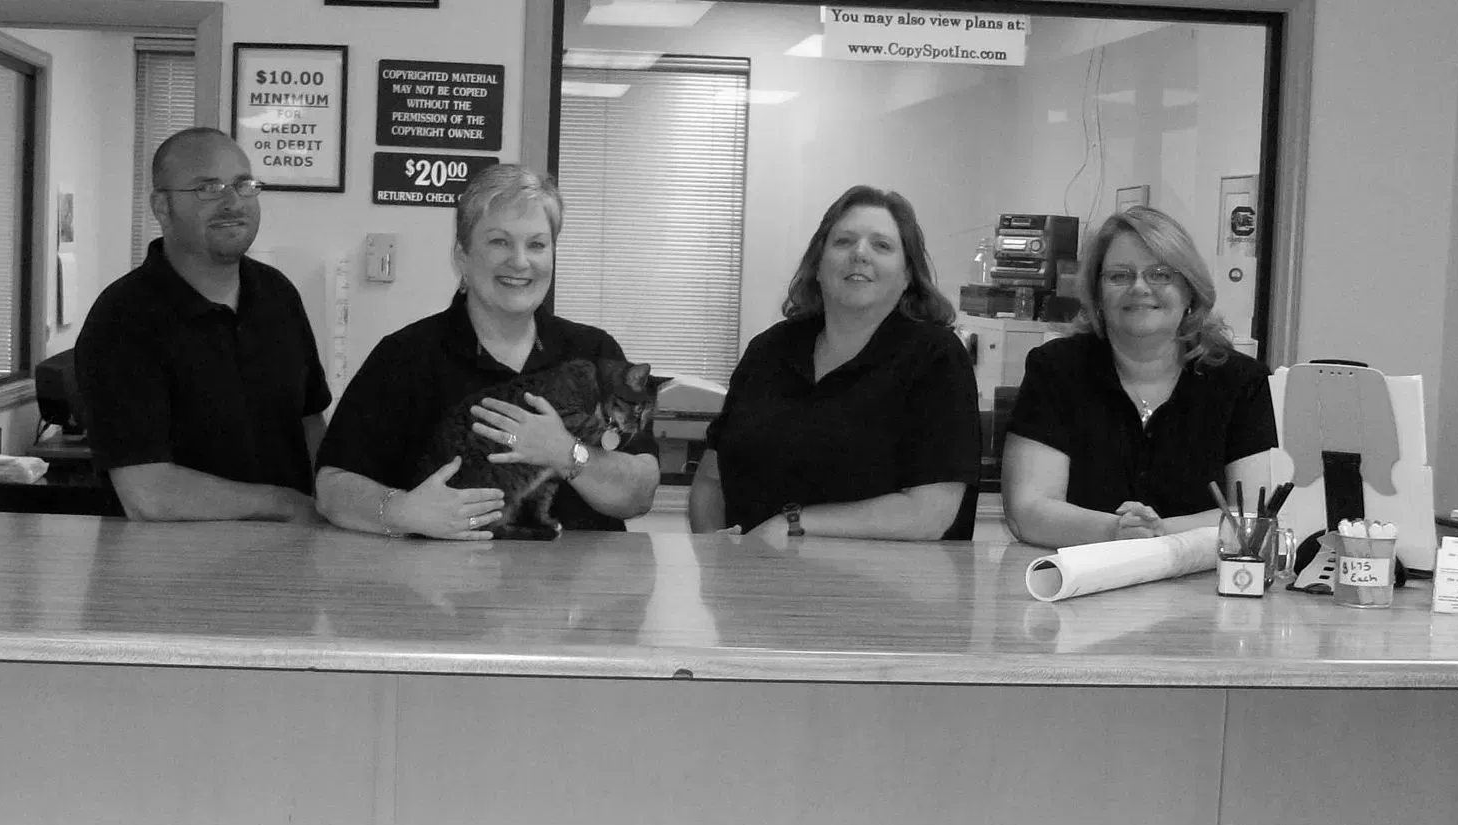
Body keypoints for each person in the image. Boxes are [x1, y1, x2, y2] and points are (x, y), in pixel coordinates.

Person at [313, 163, 660, 539]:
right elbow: (331, 489)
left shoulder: (594, 351)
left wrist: (567, 452)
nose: (520, 261)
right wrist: (400, 511)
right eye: (499, 242)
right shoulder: (405, 357)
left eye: (537, 245)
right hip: (449, 588)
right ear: (462, 255)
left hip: (581, 594)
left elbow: (639, 494)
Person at [689, 185, 980, 542]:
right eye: (844, 241)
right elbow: (710, 479)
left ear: (907, 276)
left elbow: (930, 513)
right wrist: (714, 548)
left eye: (882, 245)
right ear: (817, 266)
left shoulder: (936, 358)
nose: (860, 254)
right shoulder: (768, 350)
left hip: (880, 593)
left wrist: (791, 524)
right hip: (751, 584)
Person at [75, 127, 331, 522]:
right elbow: (147, 495)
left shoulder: (278, 295)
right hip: (169, 575)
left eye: (244, 184)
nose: (232, 201)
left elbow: (309, 422)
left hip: (287, 567)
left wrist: (336, 503)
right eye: (207, 187)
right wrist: (284, 504)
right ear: (161, 206)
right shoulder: (123, 319)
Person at [1001, 205, 1277, 548]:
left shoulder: (1241, 382)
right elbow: (1026, 511)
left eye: (1161, 274)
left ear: (1189, 290)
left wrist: (1157, 533)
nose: (1140, 287)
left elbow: (1252, 515)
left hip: (1200, 587)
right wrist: (1115, 531)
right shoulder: (1056, 369)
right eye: (1119, 275)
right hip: (1077, 581)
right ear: (1097, 293)